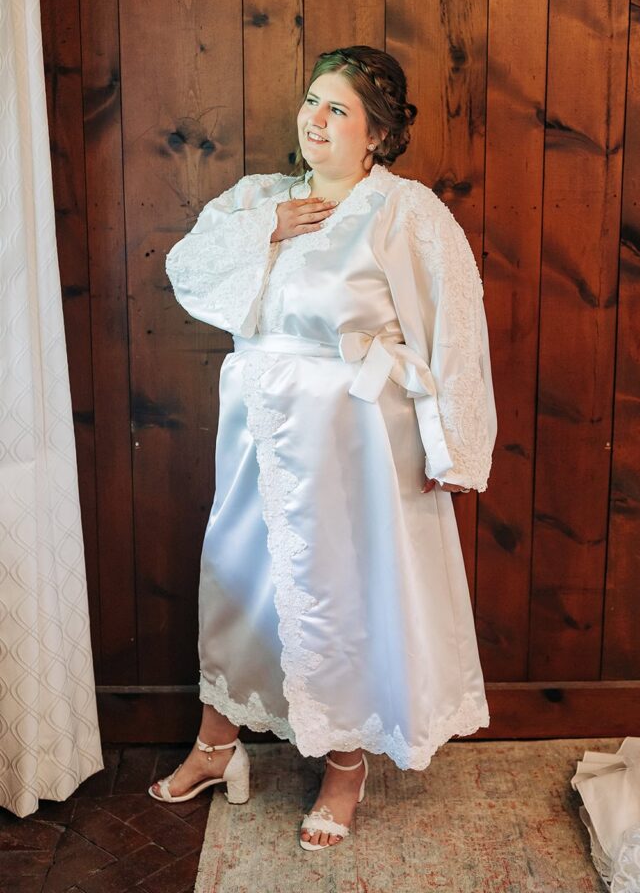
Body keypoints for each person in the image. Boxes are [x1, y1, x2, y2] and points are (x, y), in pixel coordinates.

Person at [150, 45, 497, 851]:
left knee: (343, 589)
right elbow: (188, 271)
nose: (315, 119)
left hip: (356, 440)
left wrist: (453, 448)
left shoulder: (405, 212)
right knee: (239, 578)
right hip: (256, 435)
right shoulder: (258, 198)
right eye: (312, 100)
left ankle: (345, 763)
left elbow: (455, 331)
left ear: (376, 133)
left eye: (338, 109)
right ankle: (217, 743)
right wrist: (266, 231)